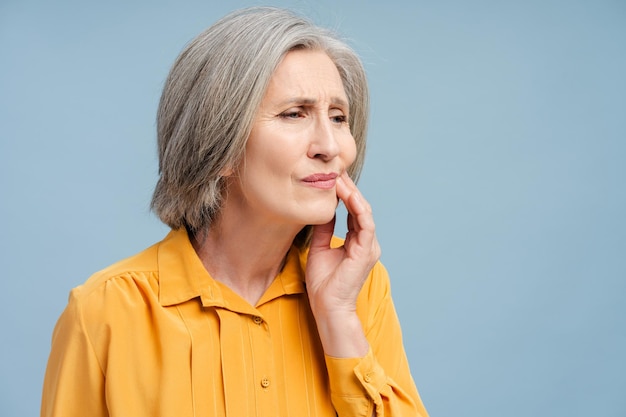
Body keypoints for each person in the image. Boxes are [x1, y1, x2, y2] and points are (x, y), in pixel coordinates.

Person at [41, 7, 429, 417]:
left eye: (338, 117)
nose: (329, 146)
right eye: (294, 114)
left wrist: (339, 319)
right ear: (218, 143)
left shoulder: (360, 289)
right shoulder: (105, 312)